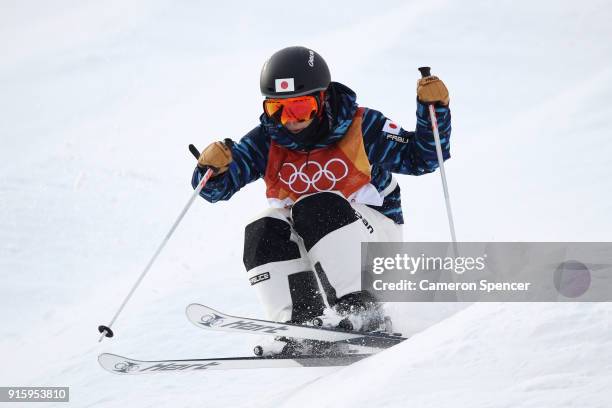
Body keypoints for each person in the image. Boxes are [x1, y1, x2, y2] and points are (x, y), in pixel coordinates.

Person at [192, 46, 451, 334]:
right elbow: (215, 190)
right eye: (278, 109)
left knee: (316, 205)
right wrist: (211, 170)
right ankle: (299, 324)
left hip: (374, 243)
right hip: (315, 248)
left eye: (300, 107)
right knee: (262, 227)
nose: (290, 120)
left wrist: (434, 112)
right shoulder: (267, 141)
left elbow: (423, 158)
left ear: (322, 99)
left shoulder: (360, 126)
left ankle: (363, 310)